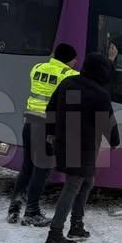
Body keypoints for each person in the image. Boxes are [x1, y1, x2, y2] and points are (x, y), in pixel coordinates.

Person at [44, 52, 119, 243]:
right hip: (84, 147)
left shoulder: (68, 83)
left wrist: (50, 132)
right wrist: (115, 141)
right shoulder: (99, 94)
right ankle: (55, 232)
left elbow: (50, 109)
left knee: (87, 181)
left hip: (65, 142)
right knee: (73, 186)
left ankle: (76, 224)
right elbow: (107, 123)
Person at [7, 43, 78, 226]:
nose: (76, 62)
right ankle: (32, 212)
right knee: (43, 168)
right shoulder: (69, 75)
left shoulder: (37, 68)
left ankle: (15, 206)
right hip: (47, 126)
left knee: (28, 165)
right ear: (68, 59)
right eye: (74, 59)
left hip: (29, 121)